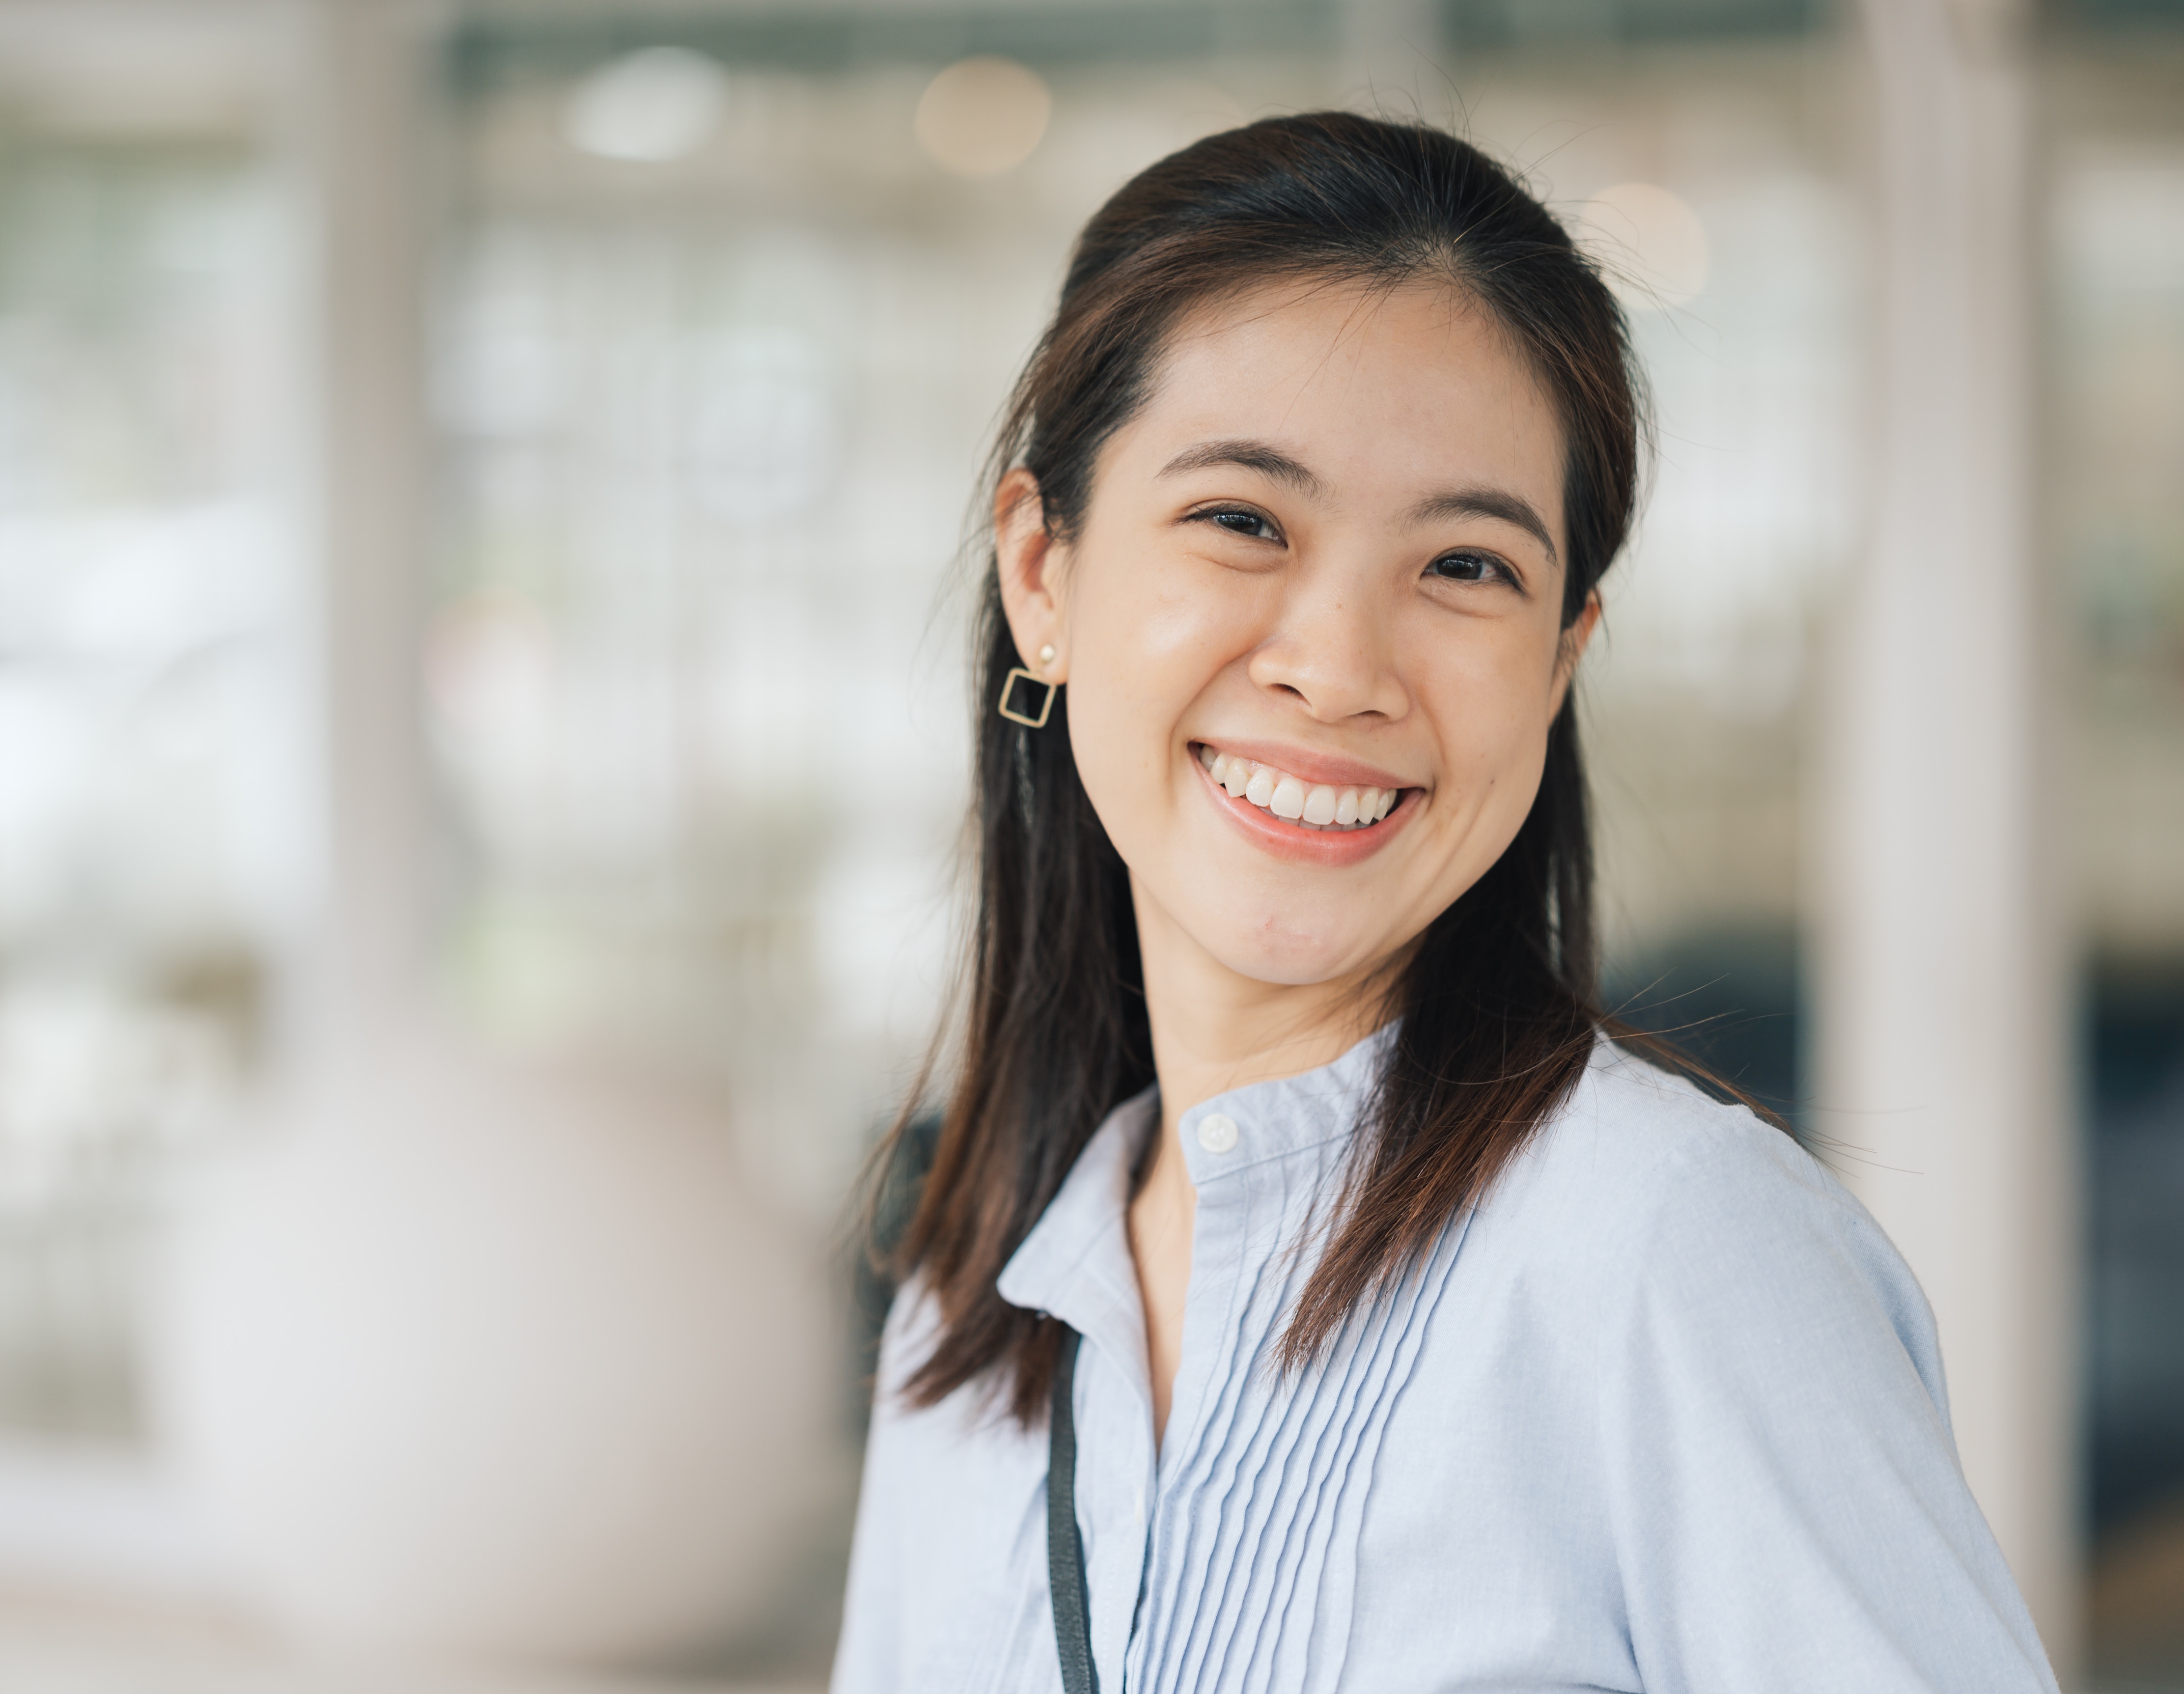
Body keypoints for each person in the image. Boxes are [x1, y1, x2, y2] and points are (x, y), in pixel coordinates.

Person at [832, 112, 2057, 1694]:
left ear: (1562, 657)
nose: (1337, 668)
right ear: (1043, 574)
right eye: (1242, 522)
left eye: (1467, 565)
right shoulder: (978, 1319)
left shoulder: (1670, 1254)